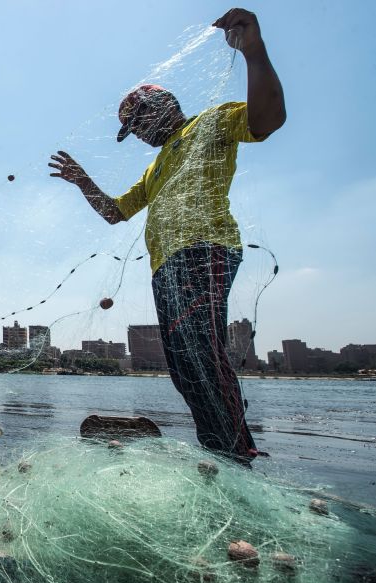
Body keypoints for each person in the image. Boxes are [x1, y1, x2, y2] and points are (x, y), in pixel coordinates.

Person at [48, 8, 285, 461]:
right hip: (166, 267)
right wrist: (83, 182)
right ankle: (219, 448)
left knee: (201, 351)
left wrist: (253, 52)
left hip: (204, 250)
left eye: (137, 124)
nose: (136, 135)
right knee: (182, 365)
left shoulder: (212, 122)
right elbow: (117, 212)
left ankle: (237, 452)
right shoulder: (156, 166)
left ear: (160, 108)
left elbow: (267, 120)